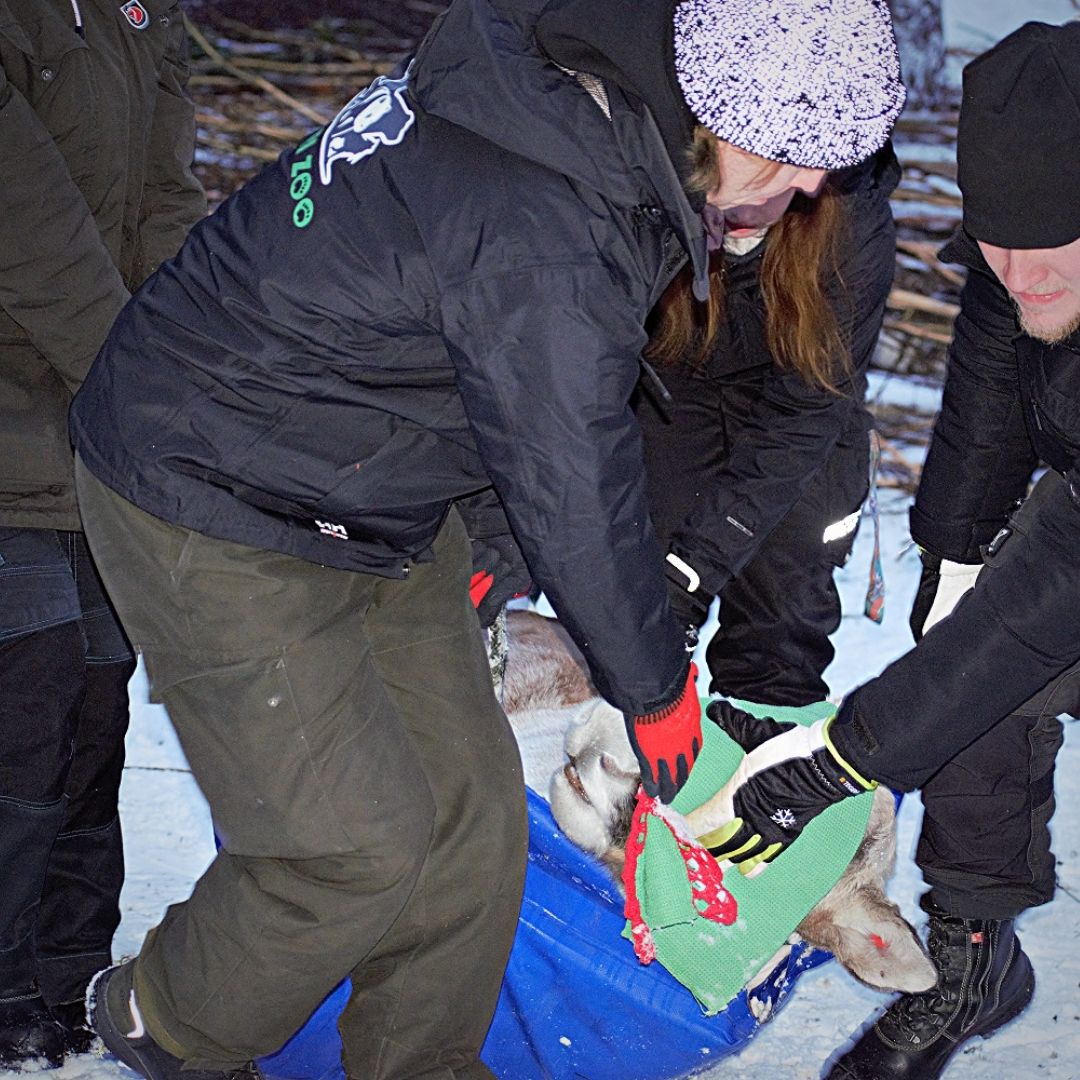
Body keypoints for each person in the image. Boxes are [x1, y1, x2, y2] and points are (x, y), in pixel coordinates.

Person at [65, 0, 905, 1077]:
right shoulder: (549, 208)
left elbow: (517, 393)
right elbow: (569, 458)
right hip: (211, 480)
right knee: (349, 850)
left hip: (373, 489)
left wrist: (498, 558)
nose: (809, 187)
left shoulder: (613, 132)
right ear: (713, 105)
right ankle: (164, 1018)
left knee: (471, 830)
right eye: (788, 155)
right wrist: (653, 689)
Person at [696, 20, 1080, 1080]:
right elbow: (991, 404)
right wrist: (952, 556)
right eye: (998, 244)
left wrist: (847, 755)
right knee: (975, 661)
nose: (1020, 274)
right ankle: (975, 952)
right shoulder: (1026, 265)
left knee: (997, 648)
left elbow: (1057, 588)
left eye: (1050, 247)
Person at [0, 0, 205, 1067]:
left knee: (96, 697)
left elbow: (167, 200)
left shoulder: (146, 13)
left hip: (101, 427)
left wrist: (186, 356)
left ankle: (67, 966)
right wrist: (134, 376)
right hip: (25, 420)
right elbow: (26, 224)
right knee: (27, 698)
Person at [635, 129, 899, 707]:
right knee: (644, 608)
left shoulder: (851, 225)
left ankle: (763, 751)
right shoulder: (648, 180)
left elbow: (807, 412)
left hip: (805, 422)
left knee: (779, 628)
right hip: (671, 386)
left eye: (770, 181)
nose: (742, 208)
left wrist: (702, 562)